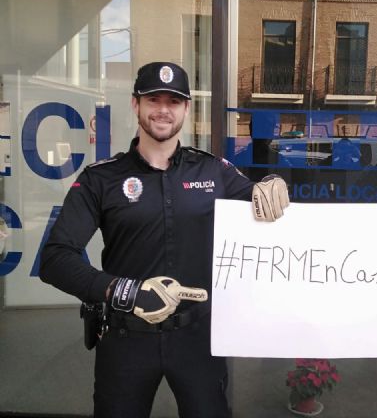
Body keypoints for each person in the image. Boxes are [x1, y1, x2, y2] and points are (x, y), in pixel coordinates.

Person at [39, 61, 289, 418]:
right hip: (126, 337)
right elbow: (55, 259)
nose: (163, 110)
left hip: (197, 338)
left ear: (186, 108)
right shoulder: (101, 178)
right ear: (135, 104)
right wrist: (124, 291)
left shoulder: (213, 171)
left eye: (173, 101)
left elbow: (263, 200)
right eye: (153, 99)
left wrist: (273, 183)